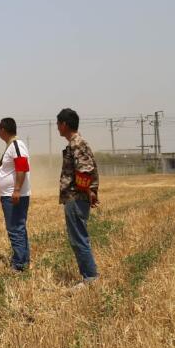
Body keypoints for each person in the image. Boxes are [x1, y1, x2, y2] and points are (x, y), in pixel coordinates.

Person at [56, 108, 100, 287]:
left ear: (64, 125)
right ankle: (89, 275)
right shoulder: (75, 143)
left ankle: (90, 277)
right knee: (78, 238)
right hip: (76, 197)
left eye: (58, 123)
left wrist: (89, 192)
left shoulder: (77, 144)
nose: (57, 127)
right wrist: (90, 192)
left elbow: (84, 171)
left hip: (76, 197)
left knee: (78, 238)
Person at [0, 117, 31, 272]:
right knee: (18, 228)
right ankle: (23, 260)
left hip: (14, 195)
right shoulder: (12, 145)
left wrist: (16, 190)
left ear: (3, 130)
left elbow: (22, 167)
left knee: (15, 229)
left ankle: (19, 264)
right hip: (11, 194)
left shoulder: (16, 145)